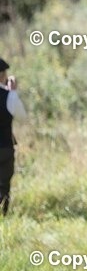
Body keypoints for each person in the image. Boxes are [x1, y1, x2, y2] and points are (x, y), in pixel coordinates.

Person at [0, 58, 27, 216]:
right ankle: (3, 215)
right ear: (3, 75)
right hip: (4, 147)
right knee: (4, 185)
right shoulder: (9, 96)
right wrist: (13, 92)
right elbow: (22, 117)